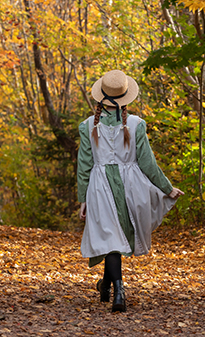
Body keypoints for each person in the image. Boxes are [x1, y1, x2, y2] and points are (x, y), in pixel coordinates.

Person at [77, 70, 184, 312]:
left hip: (99, 187)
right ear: (125, 97)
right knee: (113, 238)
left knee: (110, 238)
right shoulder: (135, 124)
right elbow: (147, 163)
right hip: (131, 187)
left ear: (100, 97)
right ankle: (116, 289)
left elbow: (84, 164)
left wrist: (82, 198)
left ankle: (110, 286)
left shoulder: (87, 126)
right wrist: (167, 188)